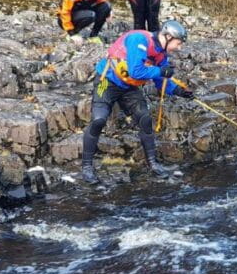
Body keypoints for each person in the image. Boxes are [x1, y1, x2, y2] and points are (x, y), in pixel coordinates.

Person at [81, 20, 193, 184]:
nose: (179, 47)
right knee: (99, 120)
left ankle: (153, 163)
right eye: (178, 43)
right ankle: (87, 167)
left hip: (129, 88)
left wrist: (180, 91)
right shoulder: (139, 40)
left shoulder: (161, 54)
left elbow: (162, 80)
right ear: (168, 37)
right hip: (107, 81)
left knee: (145, 118)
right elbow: (136, 71)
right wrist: (160, 70)